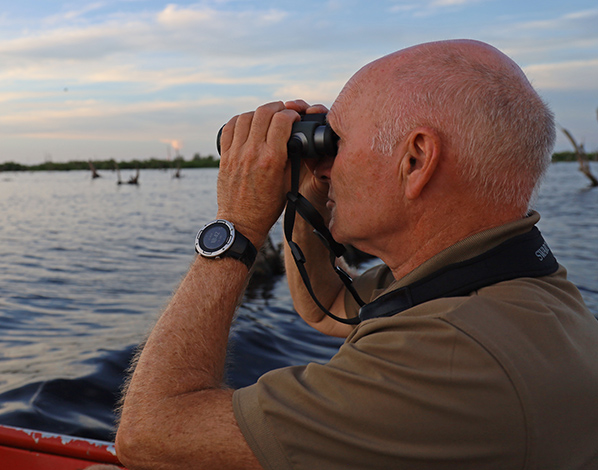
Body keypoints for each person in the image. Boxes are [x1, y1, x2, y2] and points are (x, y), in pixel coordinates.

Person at [116, 39, 598, 470]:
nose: (323, 162)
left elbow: (148, 434)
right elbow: (323, 303)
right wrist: (307, 194)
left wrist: (238, 224)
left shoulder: (449, 359)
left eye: (336, 141)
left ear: (414, 160)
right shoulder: (497, 279)